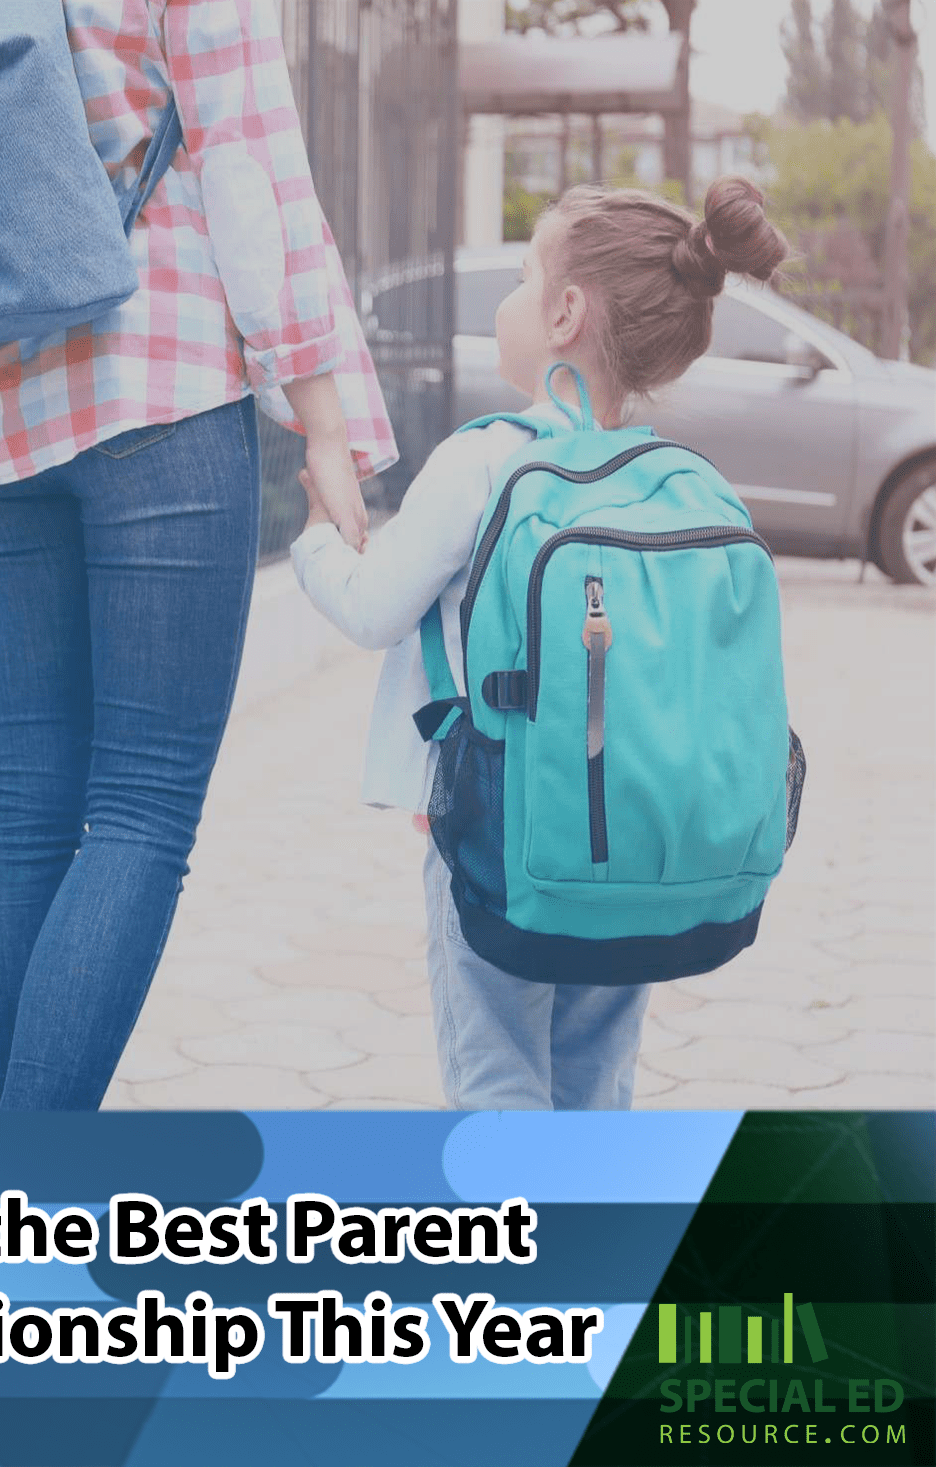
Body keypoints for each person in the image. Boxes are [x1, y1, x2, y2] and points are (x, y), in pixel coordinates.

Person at [0, 0, 397, 1110]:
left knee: (22, 797)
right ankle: (34, 1197)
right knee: (140, 805)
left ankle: (5, 1196)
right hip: (154, 378)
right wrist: (322, 418)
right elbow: (249, 159)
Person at [291, 176, 789, 1109]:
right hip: (632, 847)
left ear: (564, 313)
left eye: (523, 277)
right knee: (595, 1084)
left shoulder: (485, 459)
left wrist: (317, 533)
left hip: (499, 844)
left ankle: (521, 1248)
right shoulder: (671, 483)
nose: (509, 298)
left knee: (495, 1077)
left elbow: (371, 608)